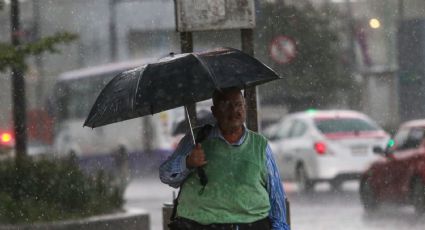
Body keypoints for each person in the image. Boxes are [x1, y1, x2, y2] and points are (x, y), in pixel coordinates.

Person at [159, 87, 290, 230]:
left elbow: (276, 198)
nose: (234, 110)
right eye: (226, 105)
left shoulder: (260, 145)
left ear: (245, 108)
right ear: (214, 111)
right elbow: (166, 175)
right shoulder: (196, 139)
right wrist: (188, 162)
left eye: (238, 104)